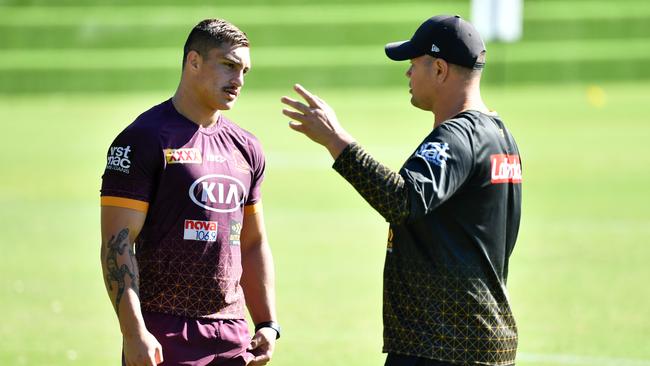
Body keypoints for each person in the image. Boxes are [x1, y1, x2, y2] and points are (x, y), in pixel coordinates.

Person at [281, 15, 522, 366]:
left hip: (442, 343)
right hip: (476, 339)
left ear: (439, 69)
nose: (408, 73)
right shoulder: (500, 135)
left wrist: (336, 140)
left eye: (413, 64)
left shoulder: (457, 137)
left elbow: (402, 199)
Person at [100, 19, 279, 366]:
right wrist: (133, 331)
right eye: (228, 66)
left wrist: (268, 323)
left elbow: (253, 242)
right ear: (193, 62)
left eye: (244, 71)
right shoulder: (143, 139)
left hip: (232, 336)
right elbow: (116, 245)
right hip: (164, 334)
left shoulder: (247, 148)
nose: (238, 80)